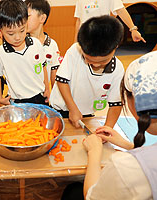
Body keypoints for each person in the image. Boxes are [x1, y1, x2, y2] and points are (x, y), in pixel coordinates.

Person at [80, 50, 157, 199]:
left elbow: (92, 196)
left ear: (134, 101)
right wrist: (125, 144)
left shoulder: (126, 168)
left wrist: (94, 153)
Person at [49, 16, 124, 128]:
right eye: (88, 59)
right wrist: (73, 109)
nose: (96, 65)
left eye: (103, 61)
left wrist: (107, 128)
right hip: (62, 108)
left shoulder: (118, 69)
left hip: (87, 112)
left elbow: (116, 105)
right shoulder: (75, 51)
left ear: (115, 47)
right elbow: (61, 80)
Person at [0, 0, 50, 105]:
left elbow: (43, 66)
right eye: (11, 33)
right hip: (17, 101)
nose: (17, 37)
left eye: (22, 30)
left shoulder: (36, 44)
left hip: (39, 97)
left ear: (26, 23)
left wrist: (47, 89)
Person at [25, 0, 60, 89]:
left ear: (42, 18)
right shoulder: (22, 43)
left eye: (27, 16)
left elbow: (54, 74)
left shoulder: (52, 44)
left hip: (44, 94)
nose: (23, 20)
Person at [74, 0, 146, 43]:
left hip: (103, 35)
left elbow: (120, 10)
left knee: (101, 62)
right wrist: (75, 42)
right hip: (85, 37)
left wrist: (133, 29)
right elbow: (79, 19)